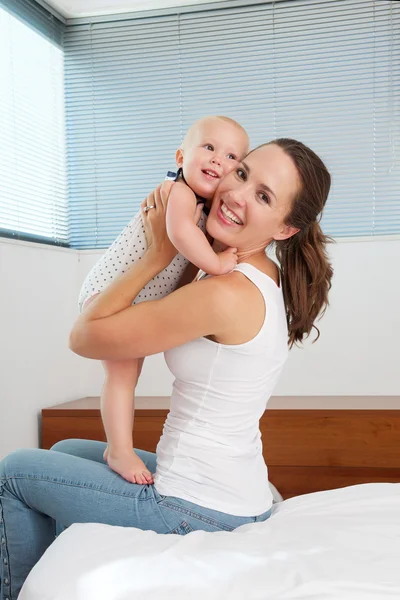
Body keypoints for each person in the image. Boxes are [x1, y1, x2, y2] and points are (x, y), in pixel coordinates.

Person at [0, 139, 333, 599]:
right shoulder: (249, 274)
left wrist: (158, 252)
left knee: (14, 472)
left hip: (198, 509)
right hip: (235, 495)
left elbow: (83, 336)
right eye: (242, 174)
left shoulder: (226, 292)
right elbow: (162, 308)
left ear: (285, 229)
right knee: (65, 448)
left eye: (264, 196)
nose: (237, 194)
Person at [78, 116, 249, 485]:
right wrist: (218, 263)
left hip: (137, 298)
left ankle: (117, 446)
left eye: (232, 156)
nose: (219, 159)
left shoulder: (205, 207)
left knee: (127, 375)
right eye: (209, 147)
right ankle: (119, 450)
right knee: (122, 376)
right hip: (110, 293)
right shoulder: (178, 193)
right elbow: (180, 234)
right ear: (180, 156)